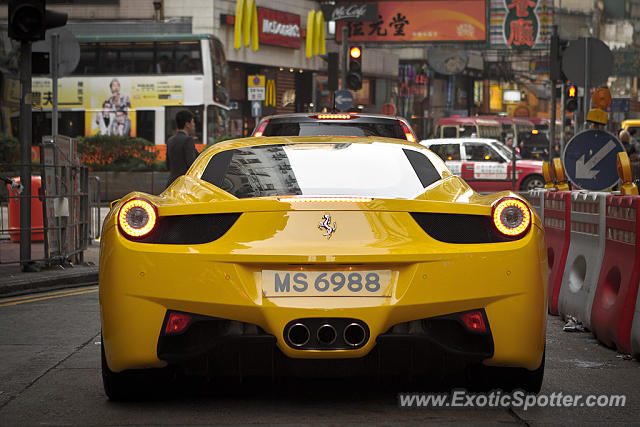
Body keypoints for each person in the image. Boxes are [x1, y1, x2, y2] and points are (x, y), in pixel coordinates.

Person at [166, 110, 199, 188]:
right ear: (187, 124)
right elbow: (192, 164)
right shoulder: (188, 140)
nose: (194, 125)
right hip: (184, 186)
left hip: (171, 184)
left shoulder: (170, 140)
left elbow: (167, 165)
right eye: (193, 123)